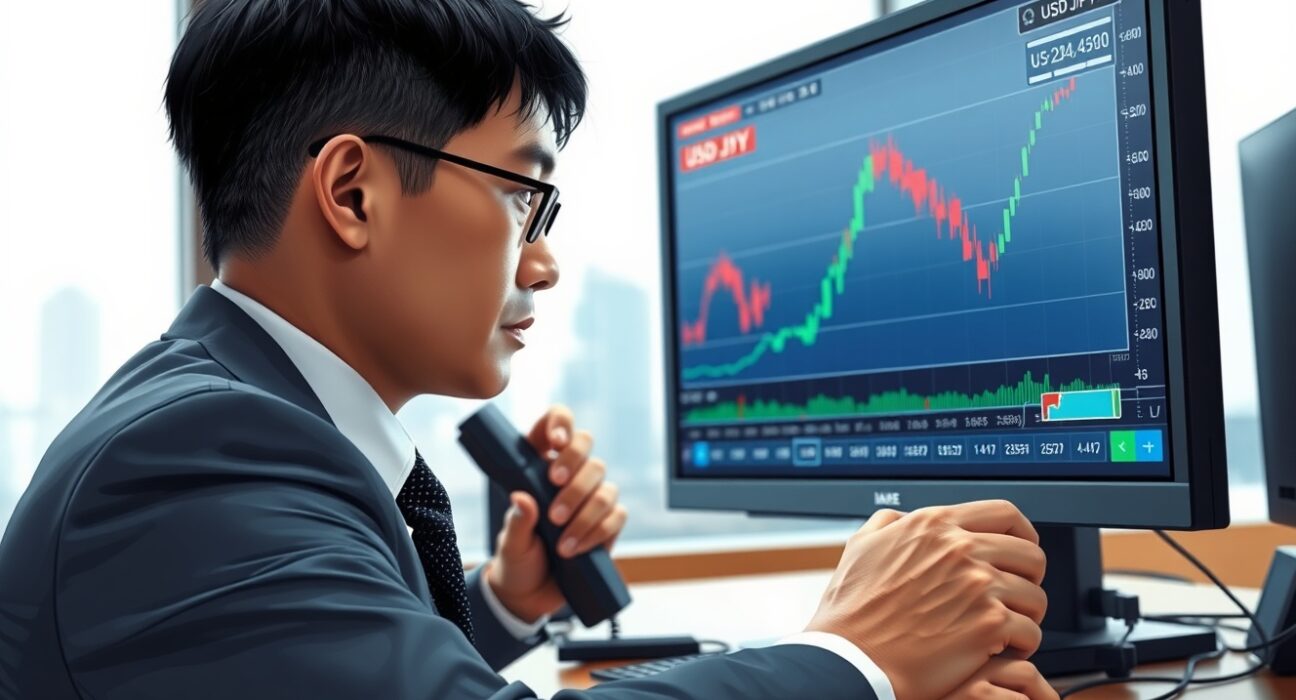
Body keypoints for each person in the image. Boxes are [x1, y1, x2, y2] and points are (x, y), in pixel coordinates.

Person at [0, 2, 1054, 698]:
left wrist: (507, 603)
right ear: (354, 192)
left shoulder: (235, 415)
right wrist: (856, 651)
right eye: (521, 195)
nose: (542, 265)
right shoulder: (193, 459)